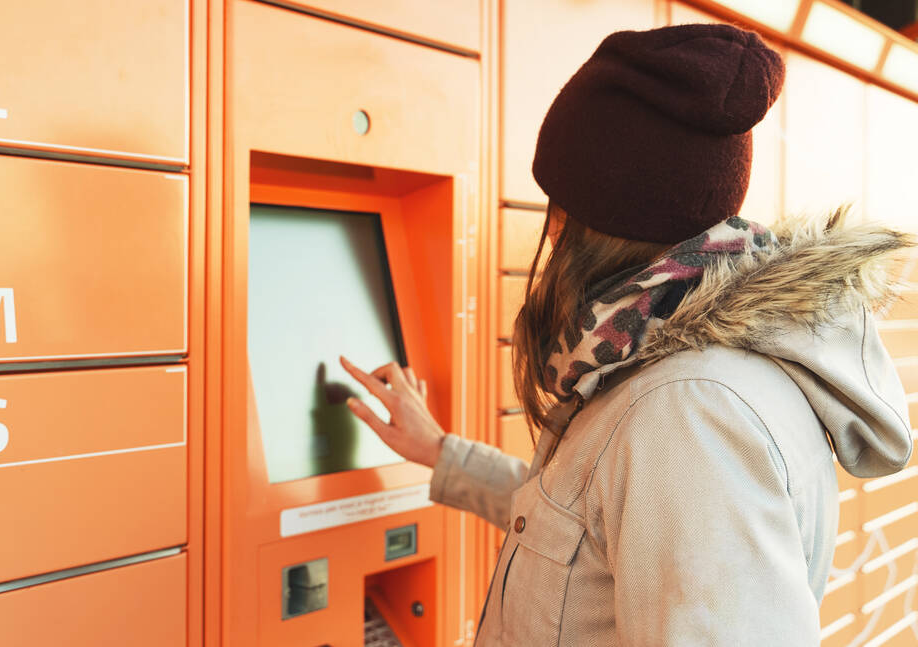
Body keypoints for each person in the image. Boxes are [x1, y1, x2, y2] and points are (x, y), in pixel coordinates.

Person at [340, 23, 914, 645]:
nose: (552, 231)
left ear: (602, 225)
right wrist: (443, 454)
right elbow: (586, 532)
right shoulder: (676, 373)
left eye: (562, 208)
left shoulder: (690, 414)